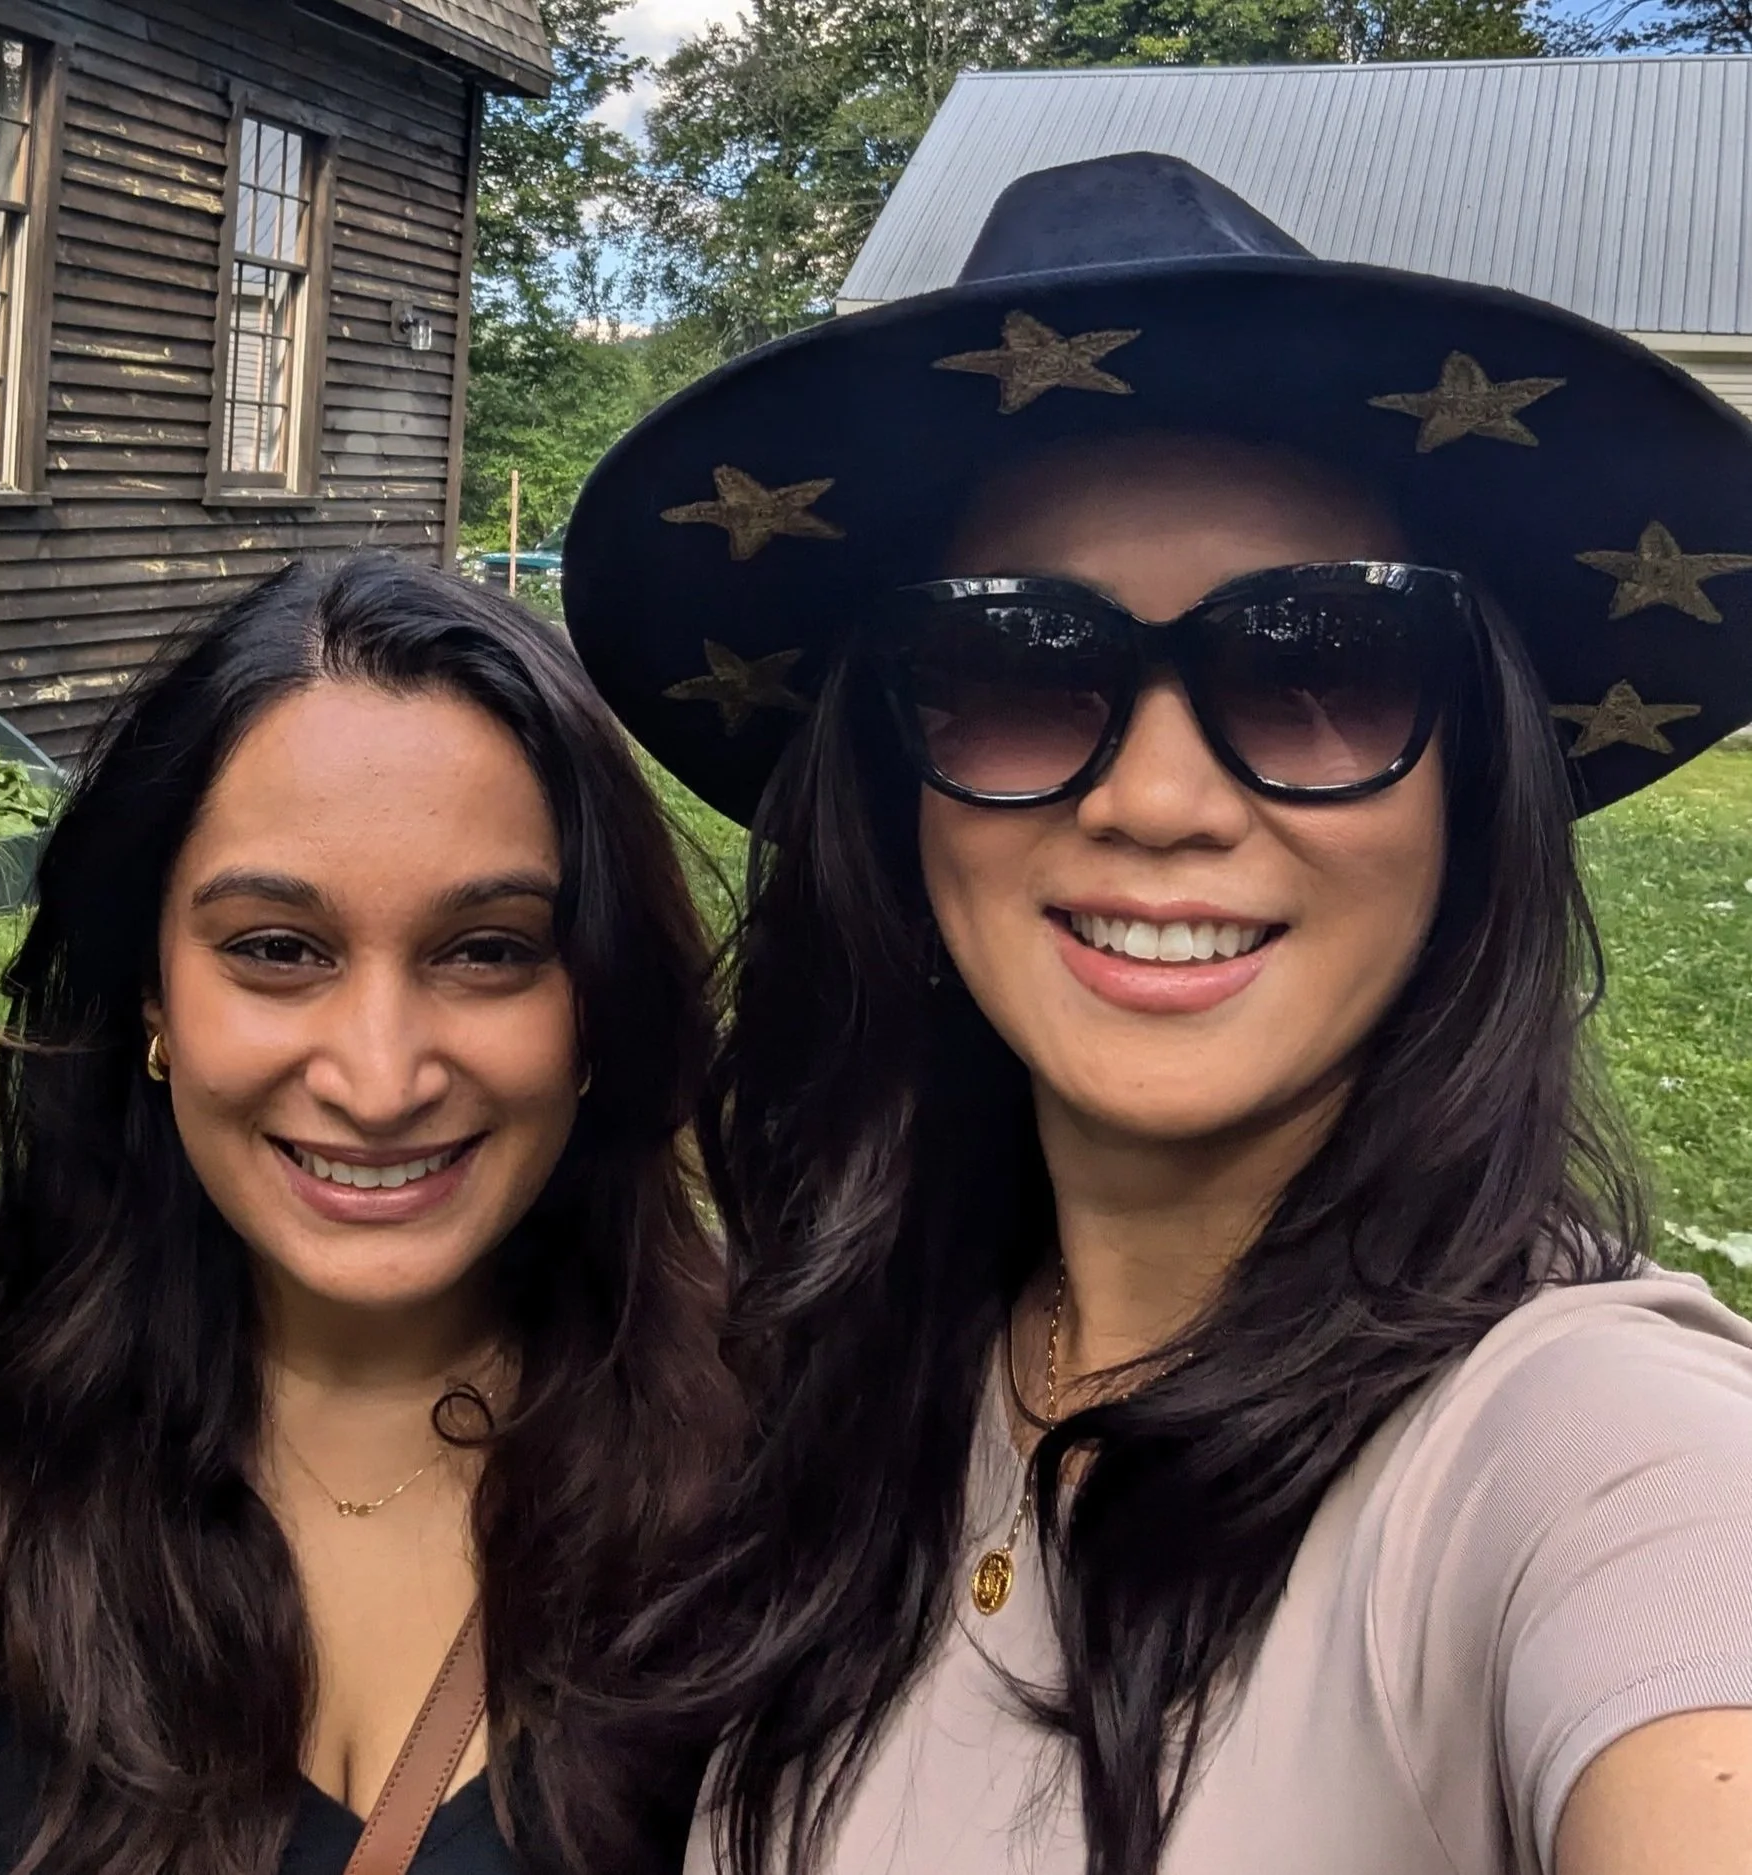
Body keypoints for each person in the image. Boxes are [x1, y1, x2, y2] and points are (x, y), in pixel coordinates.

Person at [559, 153, 1752, 1875]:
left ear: (1473, 785)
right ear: (898, 794)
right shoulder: (838, 1386)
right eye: (1020, 669)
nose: (1161, 799)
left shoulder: (1584, 1454)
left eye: (1319, 662)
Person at [0, 555, 737, 1875]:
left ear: (596, 998)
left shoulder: (796, 1473)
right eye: (276, 948)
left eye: (487, 950)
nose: (379, 1078)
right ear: (151, 991)